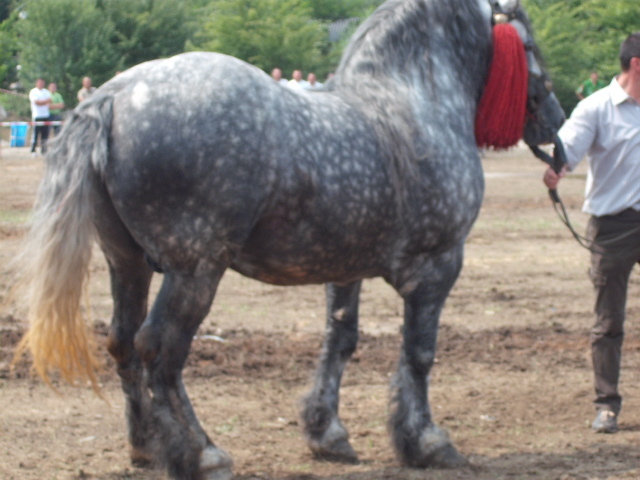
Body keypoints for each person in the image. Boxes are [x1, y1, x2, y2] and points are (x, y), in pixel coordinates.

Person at [543, 32, 640, 434]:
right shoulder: (596, 108)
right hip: (613, 226)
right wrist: (555, 169)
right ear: (637, 64)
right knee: (608, 321)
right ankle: (606, 405)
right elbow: (566, 150)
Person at [28, 78, 51, 155]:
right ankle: (33, 150)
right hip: (37, 116)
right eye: (39, 83)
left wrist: (42, 102)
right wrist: (44, 101)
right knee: (35, 134)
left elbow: (50, 100)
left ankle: (44, 150)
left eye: (42, 83)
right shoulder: (33, 91)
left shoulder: (46, 92)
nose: (41, 84)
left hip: (46, 115)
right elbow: (37, 102)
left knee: (45, 134)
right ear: (36, 83)